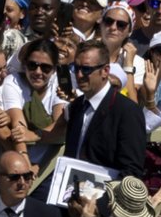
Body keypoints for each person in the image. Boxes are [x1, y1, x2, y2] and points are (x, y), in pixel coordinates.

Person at [62, 40, 147, 178]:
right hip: (70, 192)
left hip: (105, 196)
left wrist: (101, 198)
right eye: (76, 68)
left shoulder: (127, 111)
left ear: (105, 71)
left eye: (86, 69)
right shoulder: (76, 106)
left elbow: (132, 171)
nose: (79, 75)